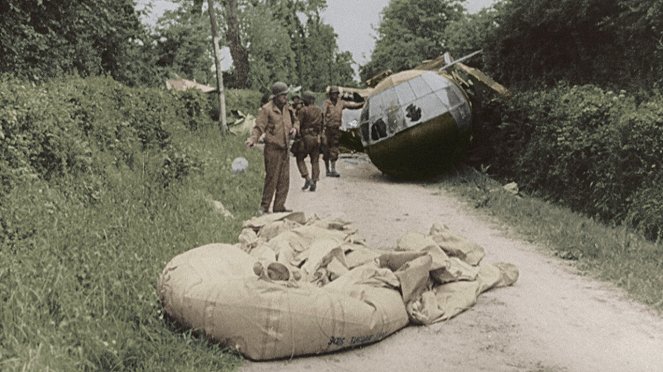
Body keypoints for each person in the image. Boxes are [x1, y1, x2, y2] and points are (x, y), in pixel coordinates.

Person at [245, 81, 299, 215]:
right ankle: (264, 207)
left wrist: (295, 129)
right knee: (272, 178)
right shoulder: (267, 109)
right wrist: (253, 139)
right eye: (283, 96)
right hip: (273, 149)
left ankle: (279, 206)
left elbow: (296, 120)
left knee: (284, 180)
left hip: (285, 148)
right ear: (275, 96)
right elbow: (259, 127)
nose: (286, 98)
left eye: (286, 95)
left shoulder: (288, 108)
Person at [322, 86, 364, 177]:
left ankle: (333, 169)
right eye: (333, 94)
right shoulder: (326, 103)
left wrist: (363, 103)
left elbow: (352, 106)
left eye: (336, 94)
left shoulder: (341, 103)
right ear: (330, 94)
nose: (335, 95)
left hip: (336, 129)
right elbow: (323, 114)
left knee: (334, 148)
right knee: (325, 149)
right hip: (327, 129)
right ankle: (327, 170)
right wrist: (323, 127)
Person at [294, 91, 323, 192]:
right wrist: (319, 136)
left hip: (306, 138)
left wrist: (296, 134)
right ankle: (314, 181)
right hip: (316, 137)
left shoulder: (303, 110)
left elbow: (298, 123)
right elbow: (322, 125)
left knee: (299, 158)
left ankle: (307, 178)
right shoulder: (319, 110)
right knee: (315, 160)